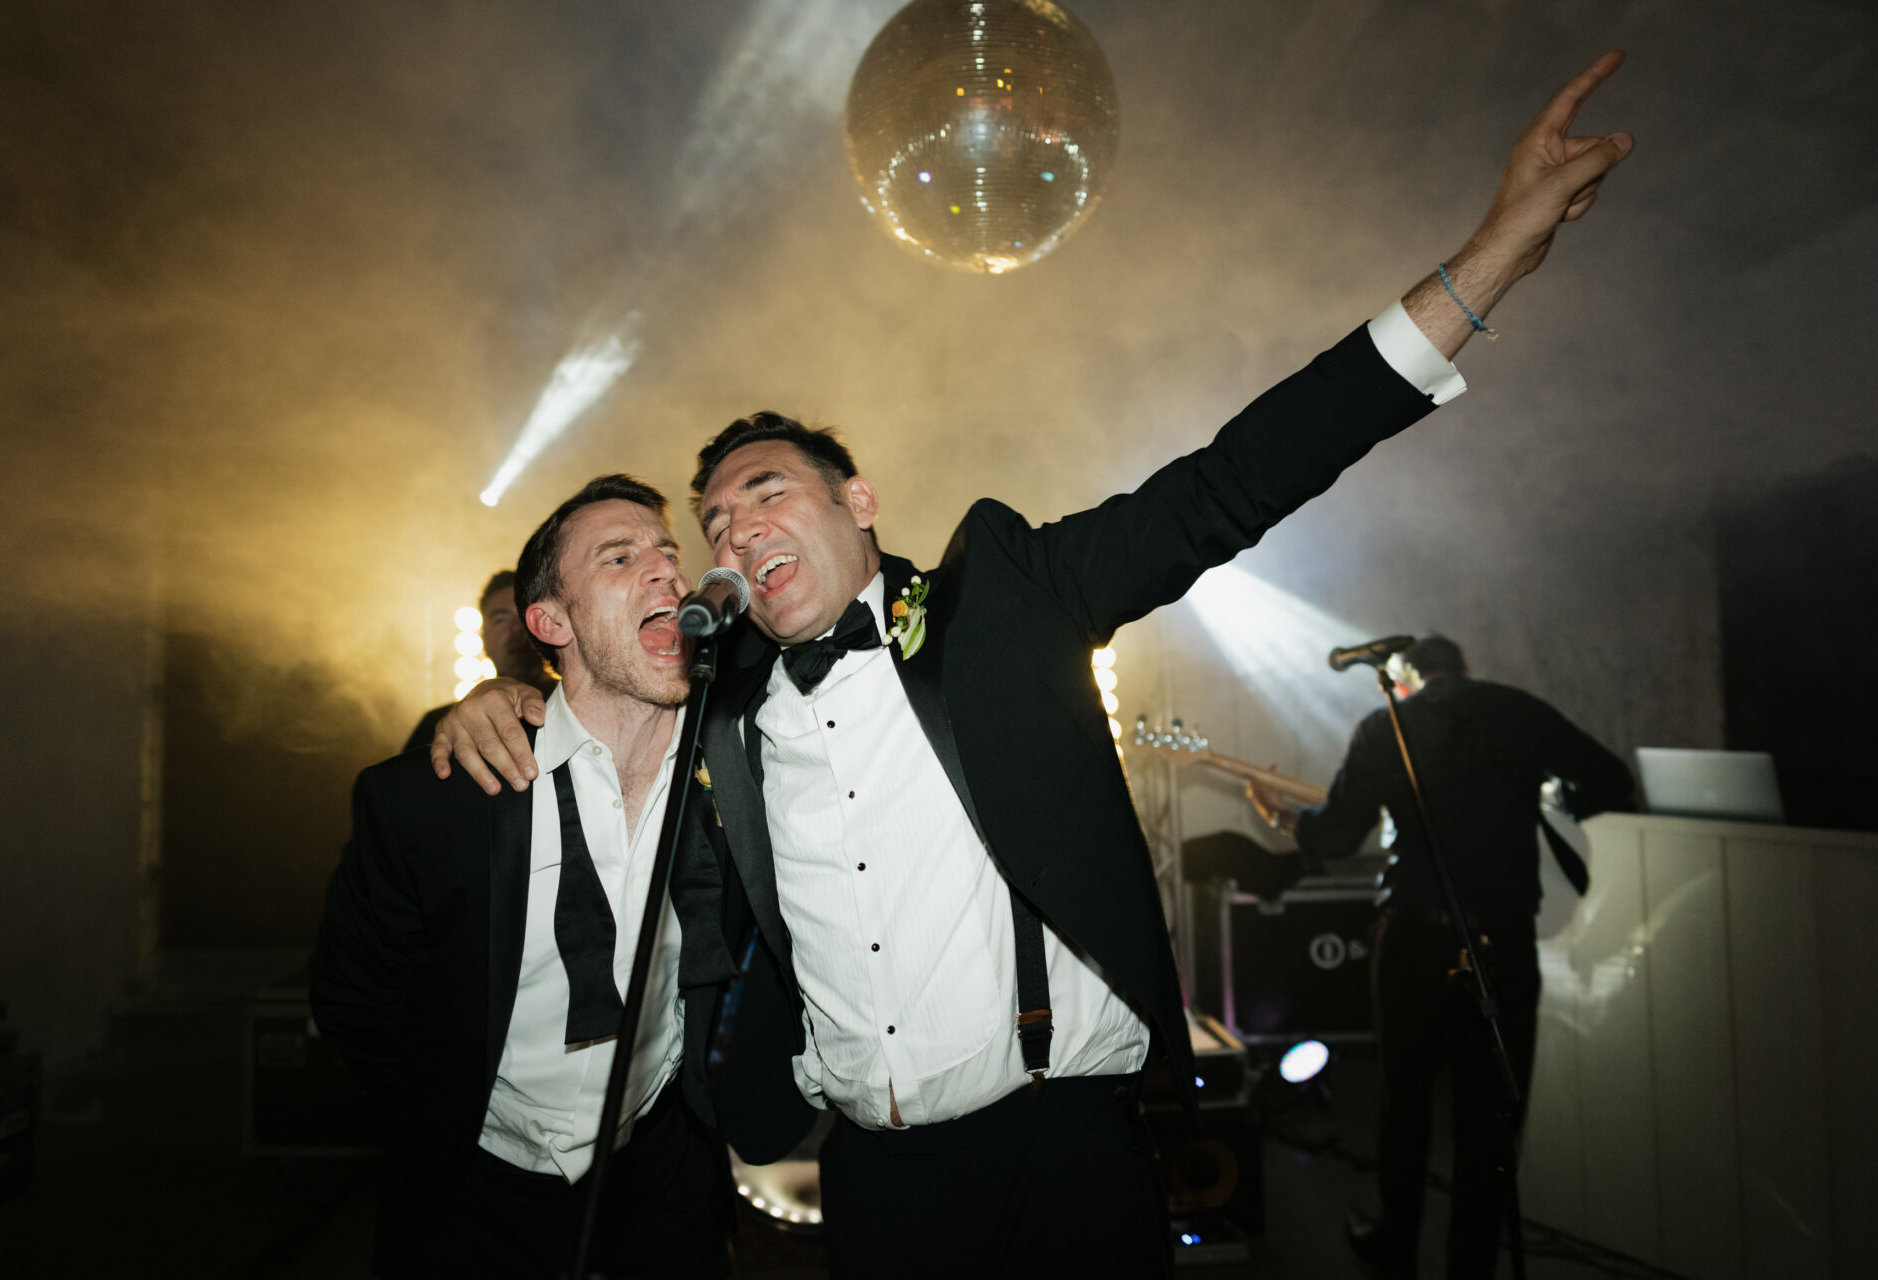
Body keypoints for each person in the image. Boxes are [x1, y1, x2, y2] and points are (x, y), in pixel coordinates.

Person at [431, 53, 1635, 1277]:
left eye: (764, 490)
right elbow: (596, 700)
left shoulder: (1005, 601)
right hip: (873, 1183)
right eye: (716, 520)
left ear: (860, 501)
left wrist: (1486, 261)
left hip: (1062, 1158)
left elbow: (1238, 474)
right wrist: (500, 696)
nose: (733, 529)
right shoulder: (722, 696)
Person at [310, 475, 740, 1279]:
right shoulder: (431, 802)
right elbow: (354, 1005)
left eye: (667, 554)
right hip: (473, 1193)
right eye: (620, 557)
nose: (665, 572)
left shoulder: (741, 774)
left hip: (660, 1180)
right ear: (550, 621)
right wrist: (438, 1115)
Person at [1247, 634, 1633, 1280]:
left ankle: (1396, 1241)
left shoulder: (1386, 726)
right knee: (1488, 1122)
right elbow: (1612, 779)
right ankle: (1470, 1267)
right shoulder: (1520, 712)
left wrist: (1282, 819)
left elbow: (1338, 835)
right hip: (1502, 944)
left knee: (1404, 1102)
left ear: (1406, 679)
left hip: (1412, 943)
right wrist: (1553, 796)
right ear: (1467, 670)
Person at [404, 569, 555, 752]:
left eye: (524, 617)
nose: (516, 629)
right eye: (501, 620)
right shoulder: (439, 726)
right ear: (483, 637)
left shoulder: (576, 707)